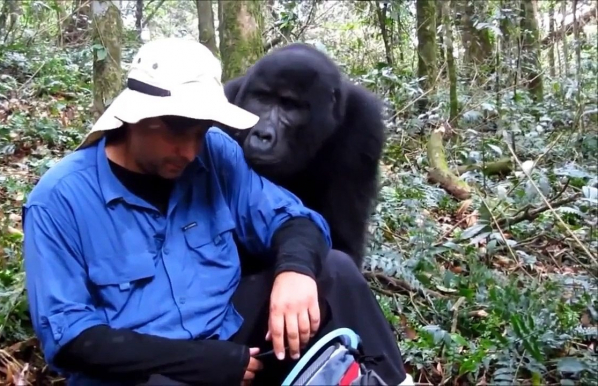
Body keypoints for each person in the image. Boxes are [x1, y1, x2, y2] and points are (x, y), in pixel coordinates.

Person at [22, 38, 413, 386]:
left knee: (335, 269)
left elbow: (293, 217)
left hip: (227, 331)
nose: (192, 151)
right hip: (143, 369)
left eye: (200, 132)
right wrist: (200, 363)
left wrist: (294, 270)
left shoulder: (214, 152)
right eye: (177, 133)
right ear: (136, 118)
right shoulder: (59, 201)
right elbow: (71, 338)